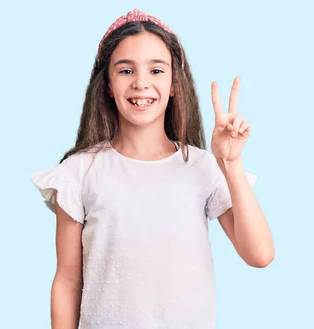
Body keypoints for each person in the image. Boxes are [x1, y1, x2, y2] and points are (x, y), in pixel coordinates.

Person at [30, 8, 274, 329]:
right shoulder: (79, 173)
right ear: (106, 84)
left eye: (156, 70)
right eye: (126, 70)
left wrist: (230, 162)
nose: (141, 83)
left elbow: (259, 255)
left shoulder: (204, 168)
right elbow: (68, 281)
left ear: (174, 83)